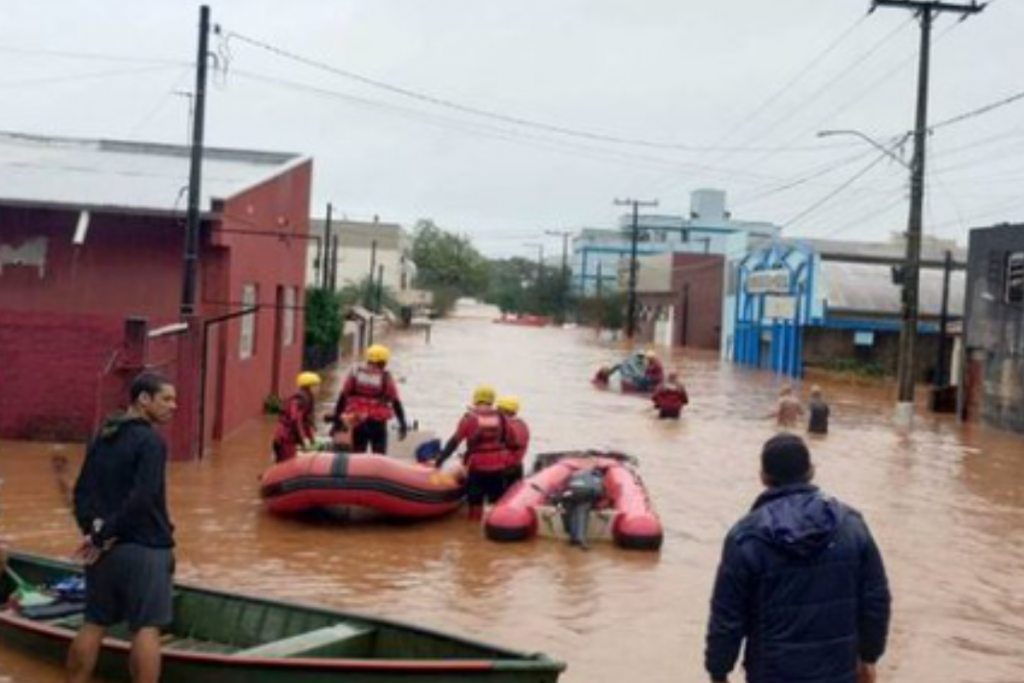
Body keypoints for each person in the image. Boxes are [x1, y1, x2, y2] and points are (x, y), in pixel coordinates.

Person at [705, 434, 891, 683]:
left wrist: (719, 672)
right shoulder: (851, 526)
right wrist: (869, 657)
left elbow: (727, 618)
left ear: (763, 476)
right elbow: (876, 601)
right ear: (811, 471)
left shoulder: (745, 538)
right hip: (839, 673)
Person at [67, 373, 178, 683]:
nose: (174, 406)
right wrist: (105, 534)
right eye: (166, 399)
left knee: (93, 622)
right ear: (143, 399)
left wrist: (93, 533)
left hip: (103, 550)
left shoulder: (102, 436)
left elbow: (81, 493)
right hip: (145, 547)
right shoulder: (151, 442)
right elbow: (143, 498)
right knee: (146, 628)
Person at [435, 385, 518, 520]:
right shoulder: (502, 418)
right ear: (492, 400)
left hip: (477, 468)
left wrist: (441, 459)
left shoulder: (469, 418)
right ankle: (494, 528)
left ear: (476, 399)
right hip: (498, 468)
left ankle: (472, 532)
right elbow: (513, 442)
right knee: (494, 505)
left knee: (475, 504)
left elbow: (454, 441)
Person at [331, 344, 408, 454]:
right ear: (383, 361)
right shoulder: (385, 377)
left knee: (357, 452)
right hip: (377, 421)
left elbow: (343, 395)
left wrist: (337, 419)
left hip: (357, 419)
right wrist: (402, 424)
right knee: (379, 452)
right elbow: (395, 401)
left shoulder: (355, 372)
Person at [272, 371, 321, 463]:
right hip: (284, 439)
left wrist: (312, 440)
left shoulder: (307, 399)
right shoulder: (299, 400)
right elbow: (295, 421)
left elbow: (305, 422)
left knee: (287, 464)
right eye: (317, 386)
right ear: (309, 387)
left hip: (289, 439)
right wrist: (304, 442)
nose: (319, 389)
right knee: (286, 465)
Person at [496, 395, 530, 487]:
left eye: (498, 409)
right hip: (518, 466)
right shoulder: (522, 425)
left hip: (503, 469)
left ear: (504, 410)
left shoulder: (504, 425)